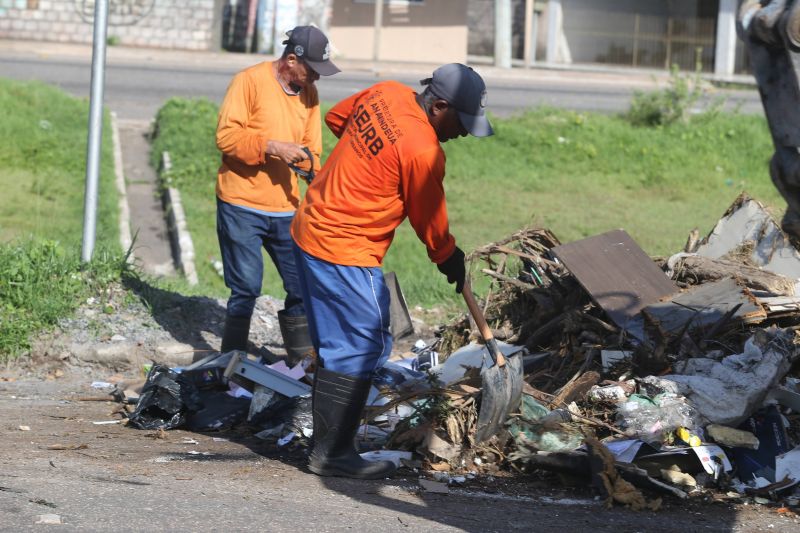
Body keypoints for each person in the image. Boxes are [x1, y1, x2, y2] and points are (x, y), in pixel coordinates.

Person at [291, 64, 494, 479]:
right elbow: (428, 217)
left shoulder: (386, 92)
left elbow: (337, 119)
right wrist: (448, 256)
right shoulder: (423, 150)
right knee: (364, 345)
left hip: (309, 228)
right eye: (461, 122)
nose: (463, 133)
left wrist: (367, 163)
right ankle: (332, 454)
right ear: (439, 106)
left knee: (337, 345)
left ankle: (329, 447)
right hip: (344, 249)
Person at [215, 25, 339, 363]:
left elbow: (313, 151)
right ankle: (232, 361)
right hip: (241, 203)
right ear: (291, 59)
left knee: (302, 286)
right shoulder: (249, 81)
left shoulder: (309, 94)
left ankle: (301, 365)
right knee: (246, 289)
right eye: (312, 69)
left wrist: (313, 172)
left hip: (287, 208)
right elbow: (226, 138)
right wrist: (272, 147)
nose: (316, 78)